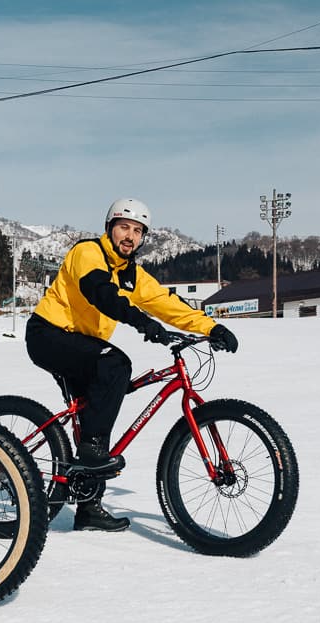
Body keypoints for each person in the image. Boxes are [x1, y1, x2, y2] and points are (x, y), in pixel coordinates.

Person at [24, 198, 238, 532]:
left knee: (100, 409)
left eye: (138, 231)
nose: (130, 236)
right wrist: (142, 322)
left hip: (83, 345)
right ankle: (91, 451)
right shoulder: (87, 253)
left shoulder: (132, 275)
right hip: (48, 334)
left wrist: (212, 328)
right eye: (124, 227)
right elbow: (100, 293)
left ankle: (89, 505)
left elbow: (167, 303)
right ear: (109, 228)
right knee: (116, 365)